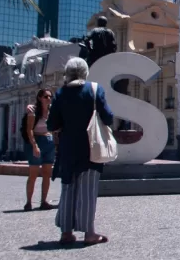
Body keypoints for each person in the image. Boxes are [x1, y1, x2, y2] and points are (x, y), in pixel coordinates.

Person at [46, 57, 114, 246]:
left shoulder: (60, 94)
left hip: (68, 149)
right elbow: (108, 117)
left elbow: (52, 124)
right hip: (90, 148)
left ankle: (66, 233)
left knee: (67, 188)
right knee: (88, 191)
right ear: (85, 72)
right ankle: (89, 233)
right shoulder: (94, 90)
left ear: (67, 73)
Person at [23, 89, 57, 211]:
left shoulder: (51, 110)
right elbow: (29, 130)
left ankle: (44, 201)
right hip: (37, 141)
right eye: (46, 96)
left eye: (50, 96)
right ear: (39, 98)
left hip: (49, 142)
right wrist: (34, 145)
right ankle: (28, 202)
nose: (48, 98)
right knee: (33, 174)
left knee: (47, 174)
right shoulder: (33, 110)